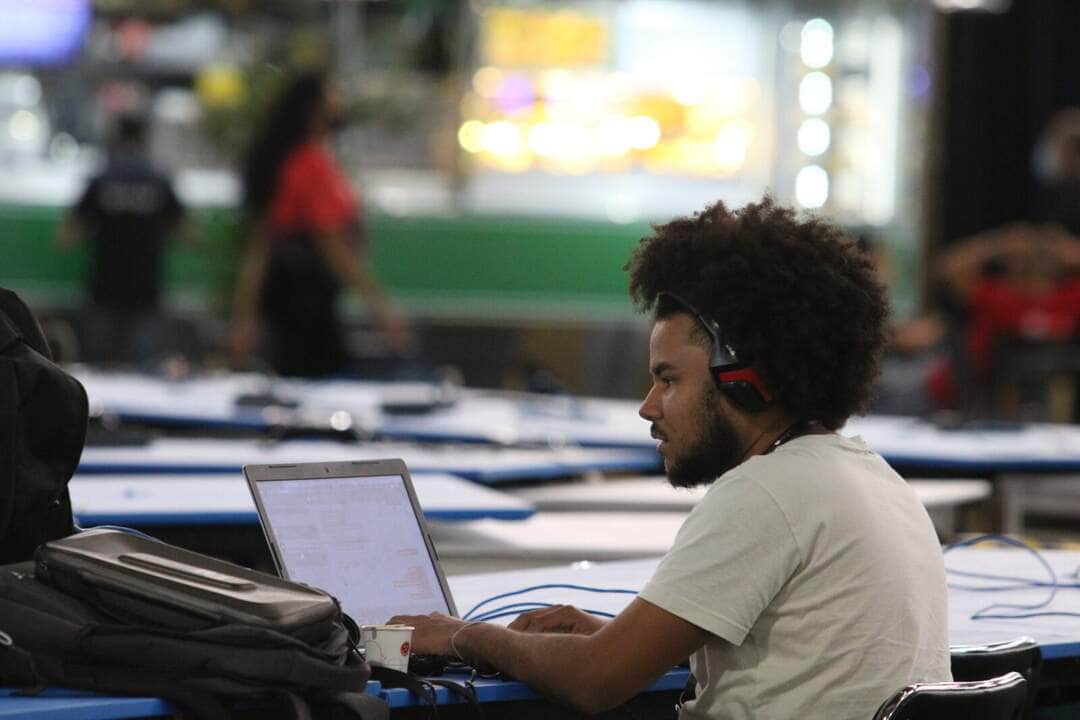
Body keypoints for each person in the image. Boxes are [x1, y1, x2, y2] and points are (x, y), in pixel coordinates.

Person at [391, 198, 951, 719]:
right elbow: (801, 658)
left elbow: (595, 682)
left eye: (668, 379)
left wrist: (467, 636)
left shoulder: (766, 493)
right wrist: (624, 636)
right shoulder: (871, 476)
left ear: (743, 377)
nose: (647, 407)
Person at [230, 70, 407, 377]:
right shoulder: (309, 165)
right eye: (333, 93)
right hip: (307, 302)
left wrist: (244, 317)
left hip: (291, 301)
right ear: (314, 107)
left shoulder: (296, 161)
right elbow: (331, 243)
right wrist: (380, 307)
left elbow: (260, 249)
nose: (341, 100)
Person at [57, 111, 190, 367]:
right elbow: (187, 233)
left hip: (105, 287)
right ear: (145, 137)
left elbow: (67, 236)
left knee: (96, 371)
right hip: (146, 288)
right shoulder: (159, 180)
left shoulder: (102, 178)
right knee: (144, 370)